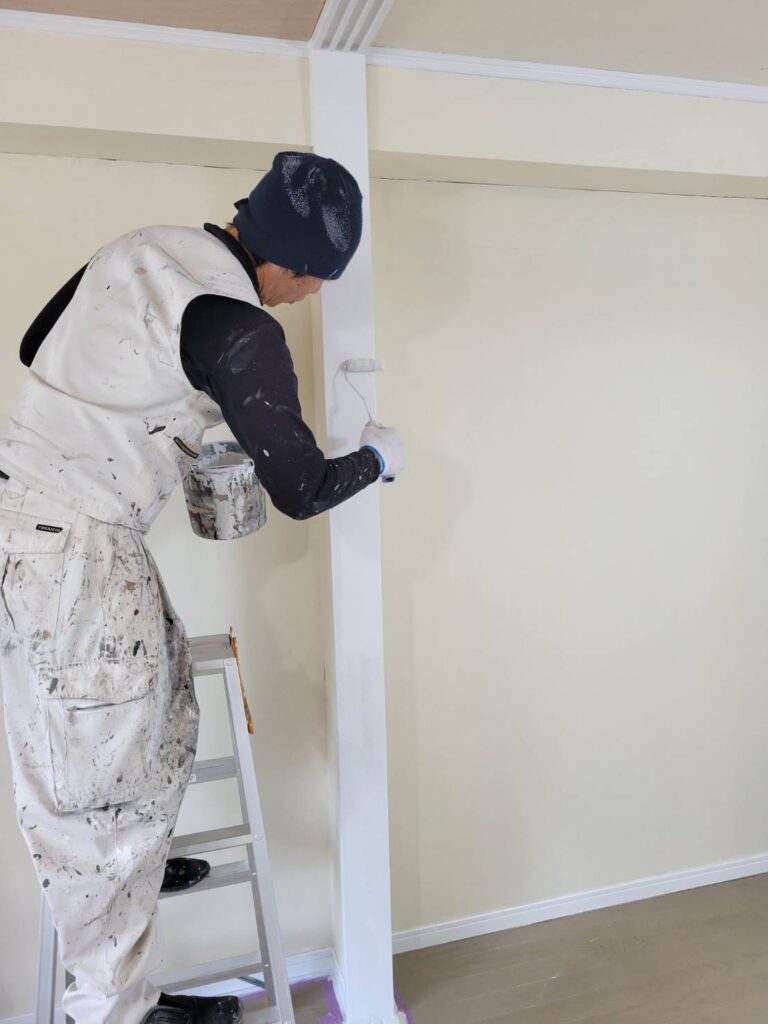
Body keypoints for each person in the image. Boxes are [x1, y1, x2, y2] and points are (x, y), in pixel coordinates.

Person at [0, 151, 405, 1024]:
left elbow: (38, 345)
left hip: (38, 519)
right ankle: (110, 1008)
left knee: (166, 709)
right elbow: (300, 489)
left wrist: (164, 407)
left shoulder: (145, 247)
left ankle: (136, 872)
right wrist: (376, 459)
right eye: (317, 279)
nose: (313, 295)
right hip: (74, 544)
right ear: (290, 263)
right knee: (96, 777)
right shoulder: (243, 331)